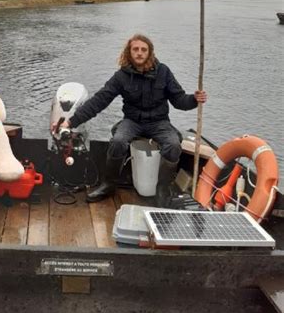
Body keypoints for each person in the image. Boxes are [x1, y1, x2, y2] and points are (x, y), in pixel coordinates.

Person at [57, 34, 207, 205]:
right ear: (129, 52)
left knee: (173, 145)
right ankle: (109, 184)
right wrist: (70, 122)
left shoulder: (163, 72)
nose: (139, 53)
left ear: (150, 53)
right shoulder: (121, 76)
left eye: (144, 49)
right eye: (135, 49)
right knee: (118, 141)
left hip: (159, 122)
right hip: (132, 122)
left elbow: (179, 100)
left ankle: (162, 188)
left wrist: (194, 99)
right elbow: (99, 101)